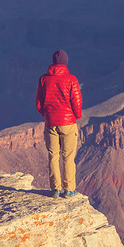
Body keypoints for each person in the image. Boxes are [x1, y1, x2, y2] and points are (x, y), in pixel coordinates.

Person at [36, 50, 83, 198]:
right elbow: (77, 101)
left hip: (51, 123)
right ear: (65, 62)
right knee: (68, 157)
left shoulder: (43, 79)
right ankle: (69, 190)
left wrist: (47, 115)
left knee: (53, 156)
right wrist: (77, 115)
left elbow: (39, 102)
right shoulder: (71, 79)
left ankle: (55, 189)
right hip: (68, 123)